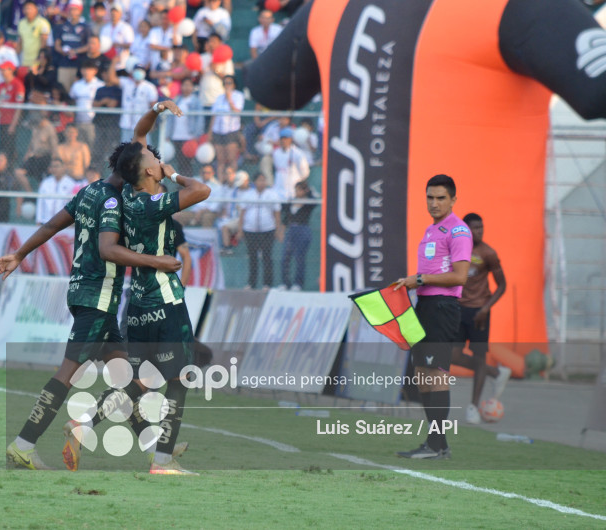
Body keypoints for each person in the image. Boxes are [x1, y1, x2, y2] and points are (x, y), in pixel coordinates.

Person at [245, 0, 606, 345]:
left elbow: (266, 86)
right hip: (493, 340)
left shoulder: (332, 7)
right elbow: (595, 89)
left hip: (359, 330)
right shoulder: (512, 6)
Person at [0, 102, 183, 472]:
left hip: (86, 293)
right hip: (98, 296)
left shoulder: (91, 190)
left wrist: (19, 254)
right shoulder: (115, 200)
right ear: (135, 169)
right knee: (68, 372)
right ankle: (23, 444)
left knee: (125, 379)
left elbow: (51, 226)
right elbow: (108, 249)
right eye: (148, 159)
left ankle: (153, 449)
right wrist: (158, 261)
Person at [115, 111, 211, 475]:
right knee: (180, 378)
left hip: (137, 302)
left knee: (145, 380)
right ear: (150, 173)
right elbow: (201, 190)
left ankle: (84, 423)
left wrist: (155, 110)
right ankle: (162, 460)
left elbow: (138, 138)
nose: (159, 159)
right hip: (165, 300)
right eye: (154, 159)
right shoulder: (154, 204)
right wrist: (174, 173)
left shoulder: (127, 193)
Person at [393, 174, 472, 459]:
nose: (434, 203)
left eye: (441, 198)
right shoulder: (431, 230)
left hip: (442, 307)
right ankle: (437, 443)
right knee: (422, 375)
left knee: (437, 374)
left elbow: (460, 276)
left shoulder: (458, 231)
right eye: (430, 197)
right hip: (425, 306)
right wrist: (414, 283)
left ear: (452, 200)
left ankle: (437, 445)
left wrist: (421, 279)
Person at [452, 212, 511, 424]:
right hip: (458, 309)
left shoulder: (488, 253)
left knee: (479, 357)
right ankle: (496, 373)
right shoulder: (455, 248)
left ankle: (473, 407)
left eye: (481, 228)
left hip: (479, 312)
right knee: (453, 356)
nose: (479, 232)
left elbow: (501, 285)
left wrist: (486, 308)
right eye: (474, 228)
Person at [238, 173, 282, 290]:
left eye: (264, 180)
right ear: (254, 182)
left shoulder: (272, 195)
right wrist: (240, 230)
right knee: (253, 257)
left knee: (267, 257)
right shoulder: (248, 195)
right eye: (259, 180)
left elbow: (277, 213)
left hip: (267, 230)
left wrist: (278, 230)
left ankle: (267, 284)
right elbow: (242, 213)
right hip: (250, 230)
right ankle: (251, 284)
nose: (262, 183)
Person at [207, 74, 244, 183]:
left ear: (234, 84)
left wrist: (229, 98)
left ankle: (232, 180)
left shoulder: (238, 96)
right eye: (225, 83)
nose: (227, 85)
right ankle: (221, 181)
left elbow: (237, 111)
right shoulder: (219, 98)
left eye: (229, 83)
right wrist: (210, 132)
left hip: (231, 131)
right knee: (220, 160)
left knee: (232, 158)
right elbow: (214, 116)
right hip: (218, 131)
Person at [280, 181, 316, 291]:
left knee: (299, 258)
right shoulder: (291, 202)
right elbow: (285, 214)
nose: (297, 192)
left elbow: (315, 201)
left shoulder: (308, 203)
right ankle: (285, 283)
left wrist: (309, 192)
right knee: (285, 258)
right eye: (296, 189)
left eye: (299, 189)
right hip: (291, 230)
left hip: (303, 230)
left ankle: (298, 283)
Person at [68, 59, 104, 155]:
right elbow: (71, 100)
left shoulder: (100, 85)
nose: (86, 71)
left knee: (92, 146)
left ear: (95, 71)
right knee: (79, 147)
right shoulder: (77, 85)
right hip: (79, 122)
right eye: (84, 69)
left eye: (89, 69)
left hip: (93, 123)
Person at [53, 0, 89, 92]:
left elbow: (88, 46)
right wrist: (64, 51)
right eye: (71, 9)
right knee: (63, 91)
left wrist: (75, 51)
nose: (73, 12)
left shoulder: (85, 27)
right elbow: (57, 45)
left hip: (78, 66)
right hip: (64, 64)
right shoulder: (62, 26)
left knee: (76, 92)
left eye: (75, 9)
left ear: (80, 11)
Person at [271, 127, 309, 200]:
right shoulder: (276, 153)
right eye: (282, 138)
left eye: (286, 138)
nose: (283, 141)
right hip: (278, 189)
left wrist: (297, 181)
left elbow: (305, 173)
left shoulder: (298, 153)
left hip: (293, 190)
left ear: (291, 139)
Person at [35, 158, 76, 224]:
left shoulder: (71, 184)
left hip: (63, 222)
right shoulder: (45, 183)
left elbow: (73, 205)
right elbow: (40, 202)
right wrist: (38, 220)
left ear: (63, 167)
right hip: (46, 221)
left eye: (57, 166)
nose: (54, 169)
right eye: (52, 167)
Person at [16, 0, 51, 68]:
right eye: (26, 8)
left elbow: (44, 43)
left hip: (37, 62)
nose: (28, 11)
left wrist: (38, 61)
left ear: (36, 10)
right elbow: (20, 42)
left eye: (30, 8)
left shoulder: (42, 23)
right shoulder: (21, 23)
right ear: (23, 10)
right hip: (24, 61)